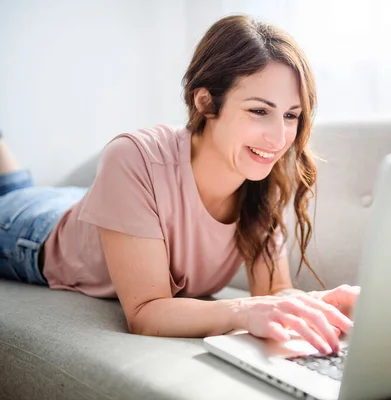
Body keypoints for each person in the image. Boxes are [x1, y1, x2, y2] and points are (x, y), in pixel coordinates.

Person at [0, 15, 360, 355]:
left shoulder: (264, 176)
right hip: (31, 232)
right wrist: (241, 311)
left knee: (17, 187)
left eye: (291, 115)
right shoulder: (133, 156)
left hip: (88, 209)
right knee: (13, 195)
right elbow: (146, 312)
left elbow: (274, 292)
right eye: (259, 111)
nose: (279, 138)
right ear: (205, 102)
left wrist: (323, 303)